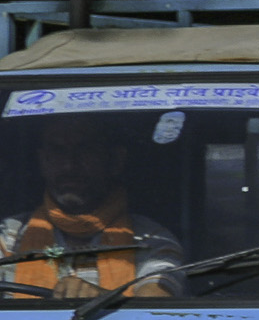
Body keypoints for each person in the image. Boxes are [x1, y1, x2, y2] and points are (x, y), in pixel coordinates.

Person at [0, 114, 182, 299]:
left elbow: (154, 305)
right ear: (42, 160)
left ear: (115, 160)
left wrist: (100, 301)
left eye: (85, 150)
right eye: (58, 151)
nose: (69, 165)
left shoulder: (149, 239)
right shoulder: (9, 236)